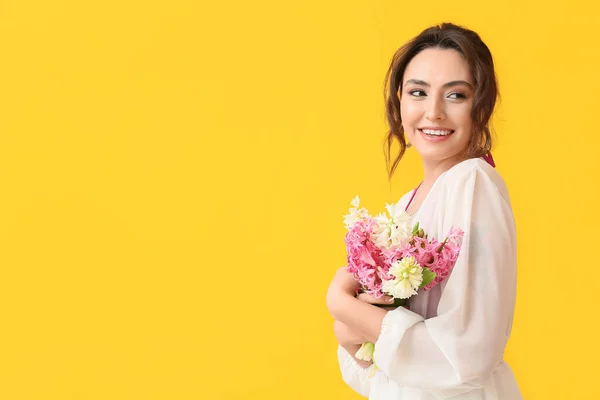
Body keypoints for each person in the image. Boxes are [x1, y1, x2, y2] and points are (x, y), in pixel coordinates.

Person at [325, 22, 523, 399]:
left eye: (456, 96)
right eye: (418, 92)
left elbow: (467, 355)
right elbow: (383, 375)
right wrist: (353, 333)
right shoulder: (406, 205)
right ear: (399, 103)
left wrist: (341, 304)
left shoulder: (472, 183)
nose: (433, 113)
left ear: (482, 106)